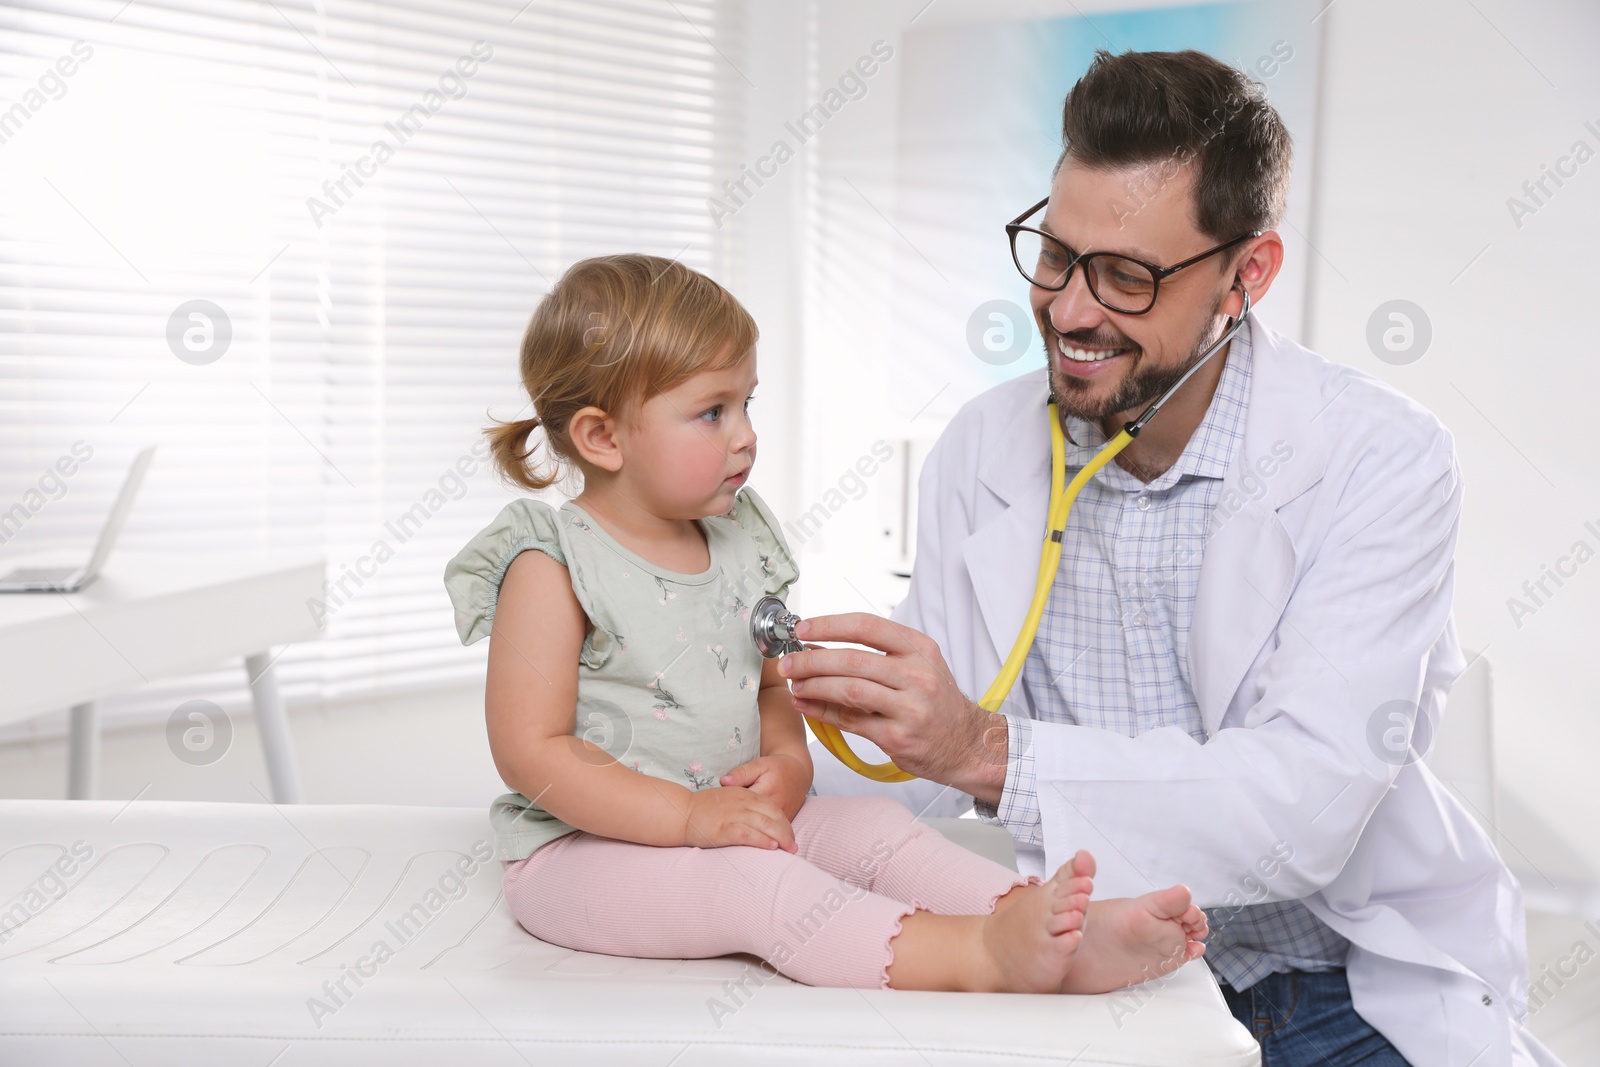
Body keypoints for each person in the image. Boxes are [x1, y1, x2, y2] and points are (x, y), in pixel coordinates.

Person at [778, 49, 1564, 1067]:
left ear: (1247, 274)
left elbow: (1303, 803)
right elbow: (909, 766)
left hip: (1340, 986)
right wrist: (752, 773)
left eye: (1126, 276)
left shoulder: (1377, 456)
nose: (1067, 309)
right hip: (1104, 975)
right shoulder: (982, 446)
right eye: (1055, 254)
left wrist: (985, 749)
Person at [441, 252, 1209, 997]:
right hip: (582, 851)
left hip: (729, 818)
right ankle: (979, 954)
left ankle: (1043, 923)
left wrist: (788, 763)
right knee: (756, 884)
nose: (744, 434)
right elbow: (530, 752)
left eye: (747, 403)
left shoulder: (738, 536)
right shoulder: (552, 562)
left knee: (873, 824)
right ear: (602, 437)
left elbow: (771, 687)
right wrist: (687, 815)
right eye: (712, 411)